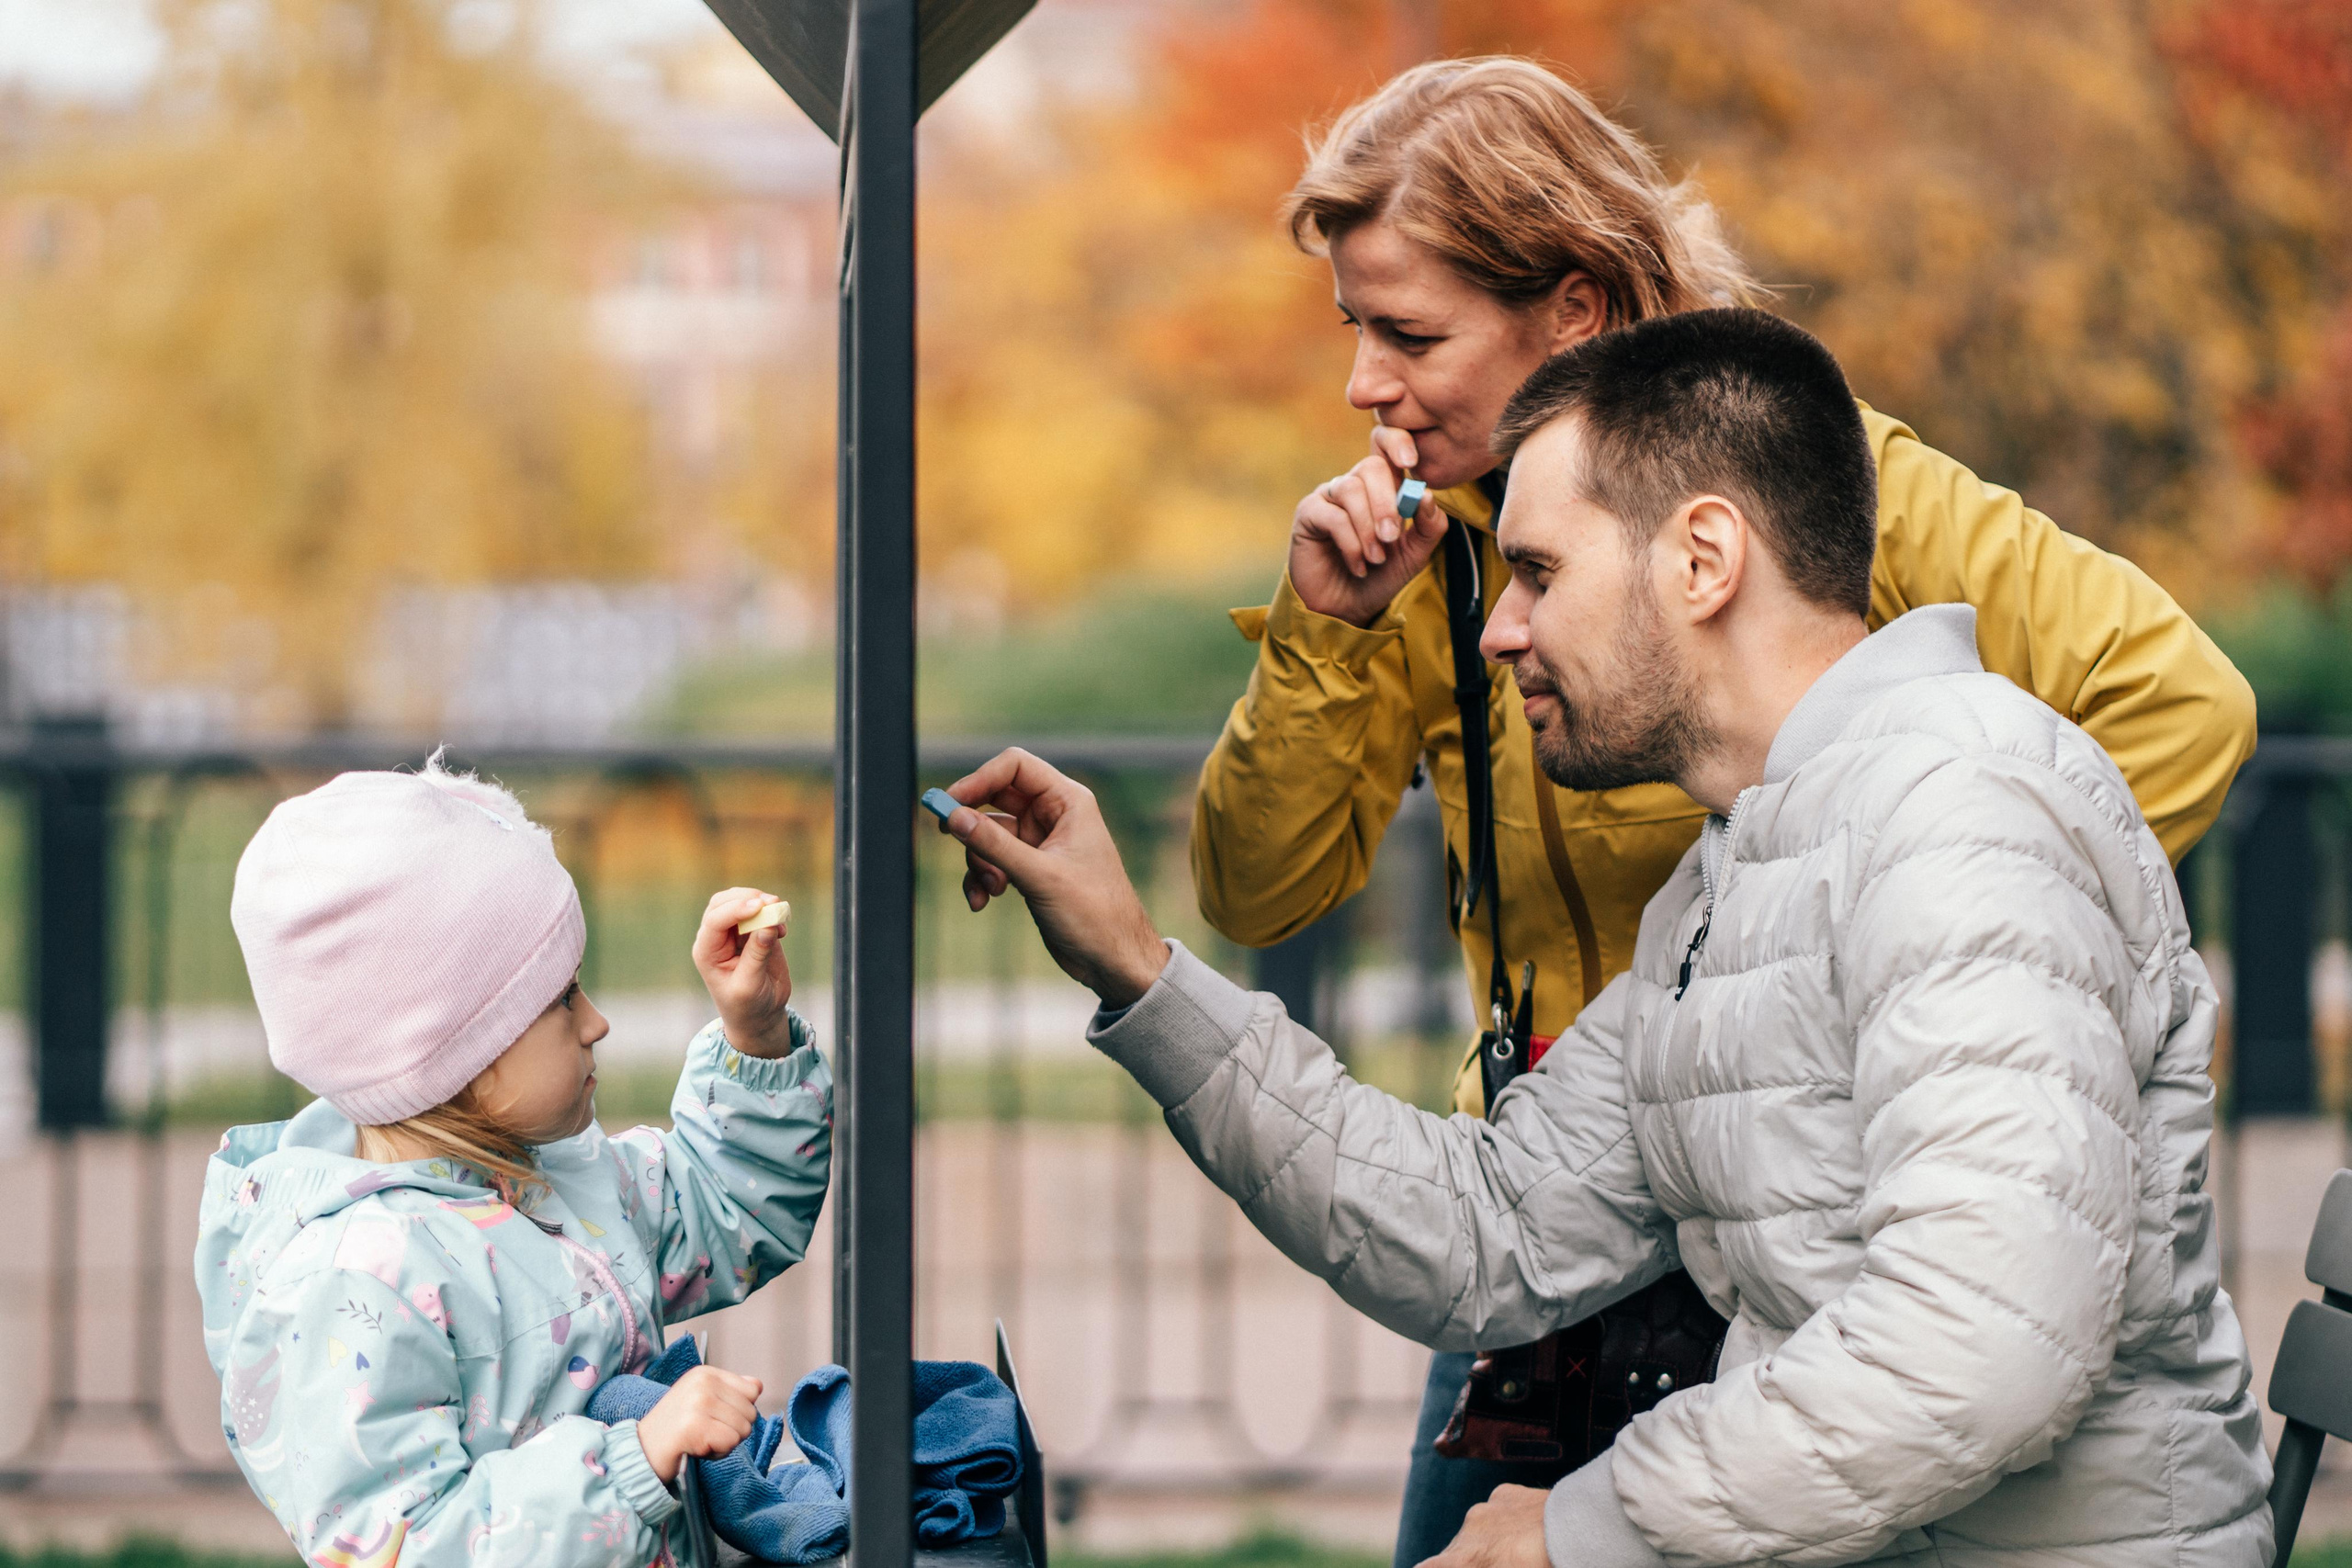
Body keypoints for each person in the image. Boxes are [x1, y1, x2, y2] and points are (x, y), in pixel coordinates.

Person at [939, 310, 2269, 1568]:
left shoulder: (1959, 812)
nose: (1496, 625)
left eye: (1535, 571)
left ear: (1703, 558)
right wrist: (1137, 965)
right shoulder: (1740, 866)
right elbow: (1488, 1227)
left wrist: (1587, 1525)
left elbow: (1980, 1343)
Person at [1191, 59, 2257, 1565]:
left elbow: (2183, 707)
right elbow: (1259, 890)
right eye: (1354, 327)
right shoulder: (1429, 558)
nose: (1362, 382)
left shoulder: (1809, 476)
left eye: (1409, 331)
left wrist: (1890, 922)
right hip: (1581, 1175)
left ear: (1570, 306)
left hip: (1806, 1212)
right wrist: (1326, 633)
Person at [196, 759, 831, 1568]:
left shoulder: (557, 1183)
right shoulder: (358, 1280)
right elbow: (405, 1546)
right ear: (460, 1051)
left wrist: (756, 1039)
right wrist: (638, 1457)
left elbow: (730, 1211)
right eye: (562, 996)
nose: (595, 1021)